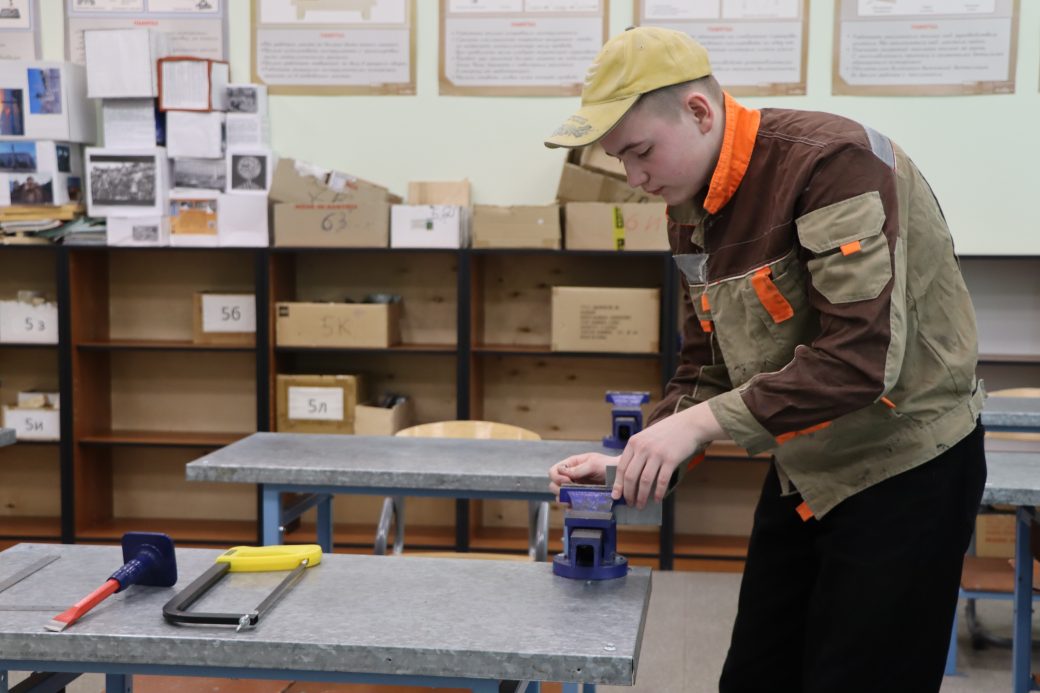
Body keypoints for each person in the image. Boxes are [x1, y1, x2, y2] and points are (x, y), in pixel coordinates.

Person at [545, 26, 986, 693]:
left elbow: (861, 360)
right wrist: (640, 457)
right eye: (619, 160)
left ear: (699, 111)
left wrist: (697, 426)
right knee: (756, 676)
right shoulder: (689, 207)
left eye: (640, 152)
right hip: (805, 464)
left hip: (904, 464)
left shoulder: (833, 166)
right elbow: (708, 361)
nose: (634, 179)